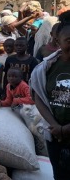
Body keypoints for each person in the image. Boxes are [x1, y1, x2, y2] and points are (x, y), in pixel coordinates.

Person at [30, 11, 70, 179]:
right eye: (69, 40)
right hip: (55, 135)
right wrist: (56, 127)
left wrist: (66, 129)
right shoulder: (45, 69)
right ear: (57, 41)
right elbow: (38, 96)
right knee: (59, 174)